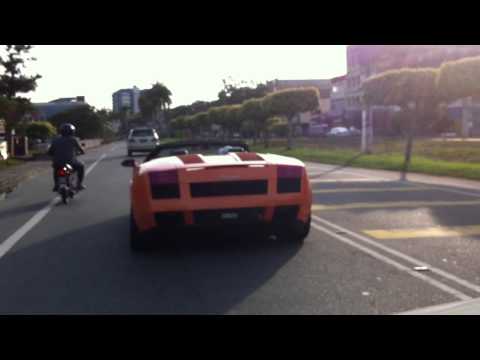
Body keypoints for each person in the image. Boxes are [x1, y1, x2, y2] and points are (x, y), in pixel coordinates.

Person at [48, 123, 86, 192]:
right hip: (70, 164)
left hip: (57, 164)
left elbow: (50, 152)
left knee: (56, 170)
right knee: (81, 166)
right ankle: (79, 184)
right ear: (72, 132)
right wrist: (82, 152)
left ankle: (56, 185)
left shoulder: (55, 140)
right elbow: (80, 150)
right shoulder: (73, 140)